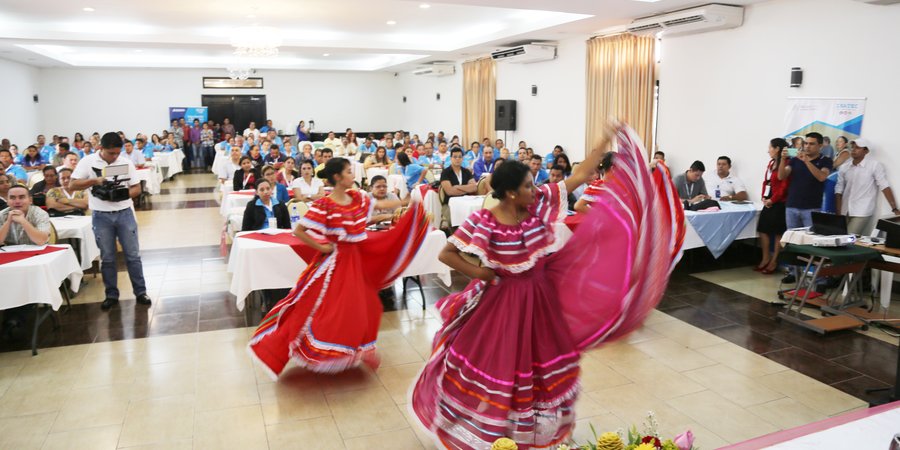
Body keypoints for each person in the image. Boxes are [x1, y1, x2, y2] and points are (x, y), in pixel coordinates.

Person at [411, 123, 684, 449]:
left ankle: (534, 431)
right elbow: (448, 253)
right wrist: (481, 274)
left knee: (539, 365)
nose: (535, 187)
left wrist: (604, 139)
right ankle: (498, 432)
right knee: (505, 364)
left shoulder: (538, 201)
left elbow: (580, 174)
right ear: (511, 192)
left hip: (541, 296)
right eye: (528, 185)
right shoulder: (486, 220)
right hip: (504, 302)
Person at [248, 157, 429, 376]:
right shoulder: (325, 204)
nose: (353, 176)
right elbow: (299, 231)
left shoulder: (356, 198)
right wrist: (322, 248)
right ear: (338, 178)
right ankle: (329, 349)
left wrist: (404, 203)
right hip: (336, 264)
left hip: (356, 260)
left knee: (369, 305)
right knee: (332, 309)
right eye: (349, 172)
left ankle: (358, 348)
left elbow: (379, 205)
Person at [70, 132, 151, 310]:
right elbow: (72, 184)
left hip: (124, 213)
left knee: (133, 255)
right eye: (111, 153)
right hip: (101, 215)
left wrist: (122, 195)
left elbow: (137, 187)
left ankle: (140, 292)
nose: (115, 157)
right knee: (107, 257)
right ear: (101, 148)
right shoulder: (88, 162)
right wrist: (95, 181)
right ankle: (111, 294)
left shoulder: (125, 162)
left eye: (117, 153)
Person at [778, 132, 833, 283]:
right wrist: (782, 160)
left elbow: (822, 177)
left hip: (812, 208)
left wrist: (807, 161)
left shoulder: (825, 160)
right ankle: (793, 272)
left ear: (820, 146)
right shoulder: (795, 160)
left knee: (813, 244)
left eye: (812, 144)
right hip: (792, 206)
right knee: (792, 242)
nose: (807, 146)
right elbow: (781, 176)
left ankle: (820, 279)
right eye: (806, 143)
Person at [835, 138, 899, 236]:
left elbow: (884, 186)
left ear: (866, 151)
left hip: (862, 211)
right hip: (845, 210)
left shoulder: (874, 165)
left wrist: (894, 208)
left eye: (857, 148)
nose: (853, 150)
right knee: (838, 237)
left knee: (848, 239)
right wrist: (839, 212)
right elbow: (839, 190)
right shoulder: (845, 167)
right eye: (852, 147)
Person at [755, 138, 790, 274]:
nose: (768, 150)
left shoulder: (786, 164)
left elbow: (784, 186)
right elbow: (767, 181)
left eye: (770, 147)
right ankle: (765, 258)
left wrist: (773, 200)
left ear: (777, 149)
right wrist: (764, 196)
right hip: (768, 201)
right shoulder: (771, 163)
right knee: (762, 230)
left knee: (777, 233)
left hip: (780, 203)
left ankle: (774, 261)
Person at [439, 147, 477, 228]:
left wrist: (457, 187)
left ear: (462, 158)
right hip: (449, 204)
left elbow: (474, 187)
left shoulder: (466, 171)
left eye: (460, 157)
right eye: (455, 157)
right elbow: (449, 191)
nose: (457, 159)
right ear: (451, 158)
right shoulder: (445, 172)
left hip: (466, 203)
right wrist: (466, 189)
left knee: (474, 220)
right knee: (456, 224)